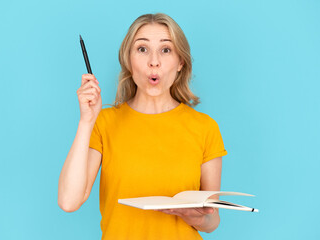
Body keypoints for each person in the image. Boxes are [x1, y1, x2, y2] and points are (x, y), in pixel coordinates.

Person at [58, 13, 228, 240]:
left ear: (180, 62)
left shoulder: (205, 128)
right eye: (142, 49)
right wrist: (86, 120)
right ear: (128, 60)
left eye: (166, 49)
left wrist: (194, 216)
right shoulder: (104, 123)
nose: (154, 61)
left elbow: (212, 220)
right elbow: (69, 201)